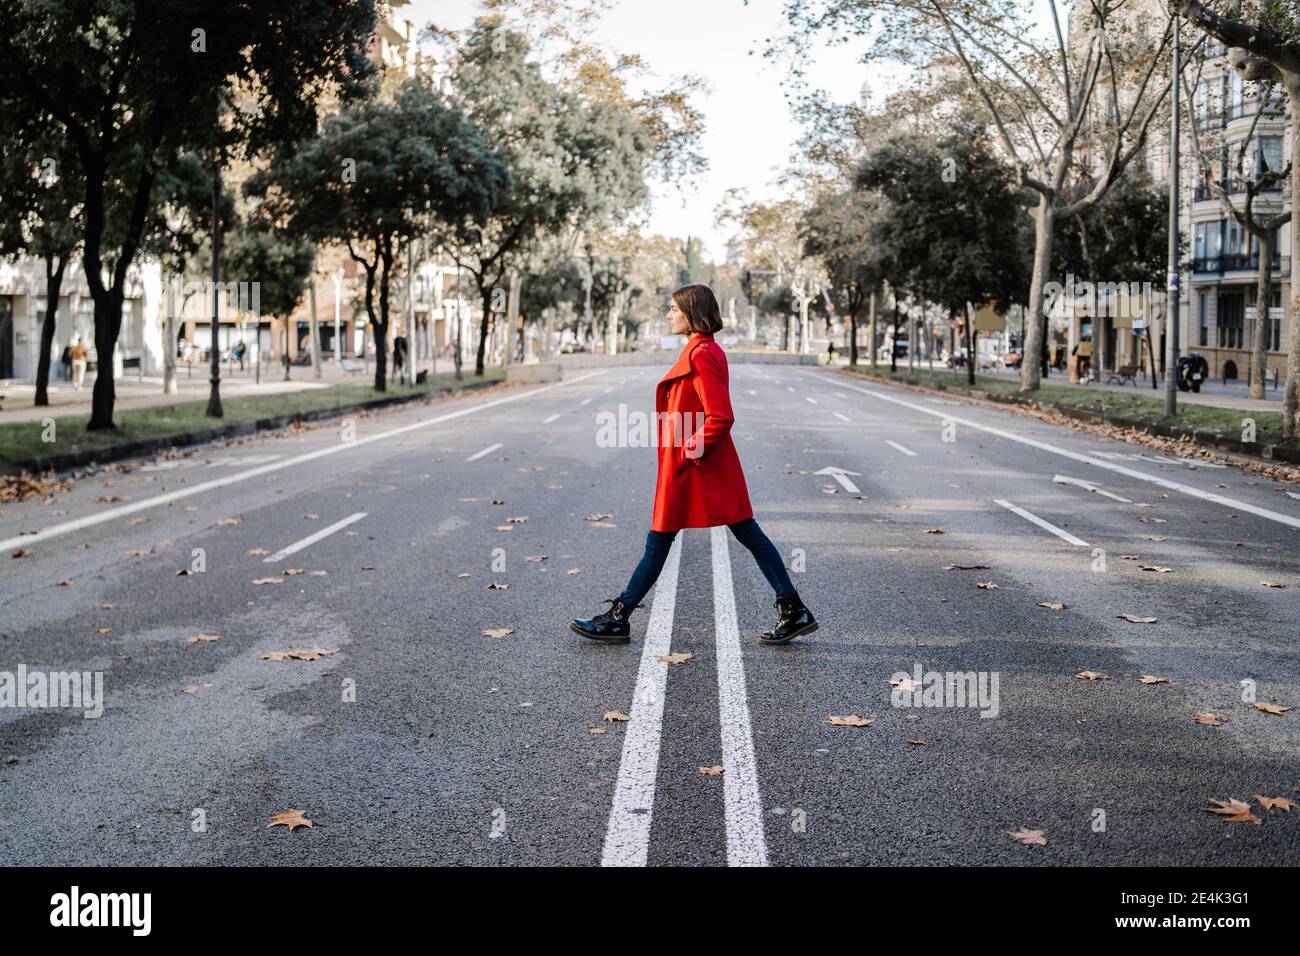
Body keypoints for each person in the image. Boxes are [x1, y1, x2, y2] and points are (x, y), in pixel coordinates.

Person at [570, 284, 817, 647]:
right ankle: (793, 608)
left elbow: (720, 416)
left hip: (698, 468)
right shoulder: (700, 350)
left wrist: (688, 453)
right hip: (699, 467)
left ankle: (619, 618)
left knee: (668, 539)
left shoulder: (702, 354)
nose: (668, 315)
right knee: (734, 534)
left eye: (673, 309)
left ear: (691, 312)